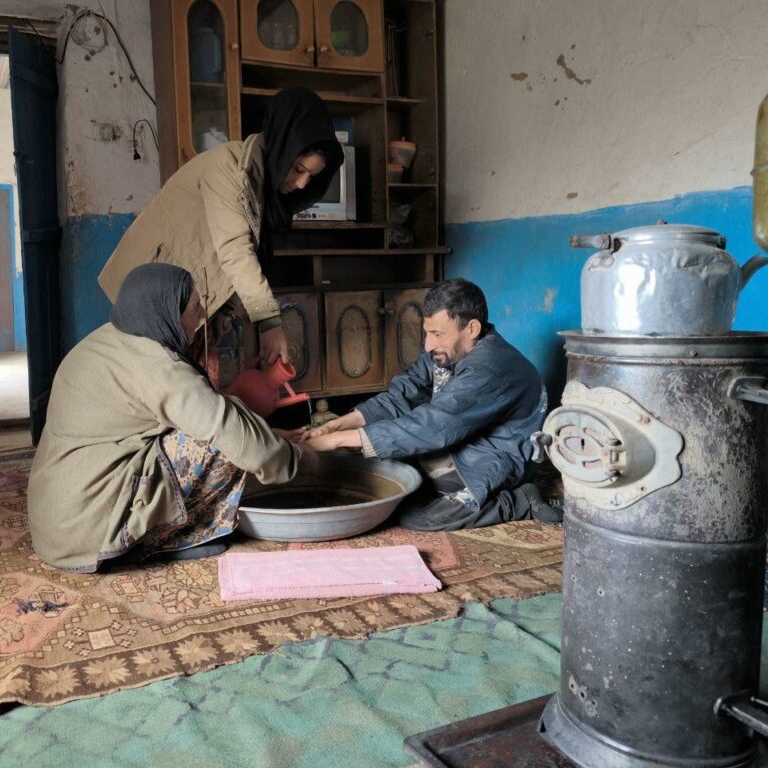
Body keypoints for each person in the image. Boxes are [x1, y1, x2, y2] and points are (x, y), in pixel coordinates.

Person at [28, 263, 303, 572]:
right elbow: (228, 428)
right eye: (194, 307)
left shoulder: (105, 340)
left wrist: (269, 433)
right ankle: (164, 541)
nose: (201, 317)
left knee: (219, 422)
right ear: (168, 313)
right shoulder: (159, 367)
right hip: (89, 535)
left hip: (54, 524)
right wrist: (297, 459)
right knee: (221, 444)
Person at [99, 87, 344, 366]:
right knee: (151, 384)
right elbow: (236, 252)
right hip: (154, 296)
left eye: (312, 177)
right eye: (299, 169)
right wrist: (270, 324)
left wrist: (221, 323)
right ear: (282, 148)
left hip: (187, 301)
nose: (302, 184)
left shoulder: (266, 193)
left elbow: (231, 268)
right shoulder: (228, 168)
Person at [302, 279, 560, 531]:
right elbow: (403, 393)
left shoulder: (492, 368)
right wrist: (337, 426)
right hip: (461, 445)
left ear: (471, 329)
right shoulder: (447, 351)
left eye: (437, 334)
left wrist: (336, 441)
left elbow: (433, 426)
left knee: (415, 516)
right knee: (381, 469)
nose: (427, 344)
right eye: (427, 332)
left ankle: (518, 501)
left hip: (492, 459)